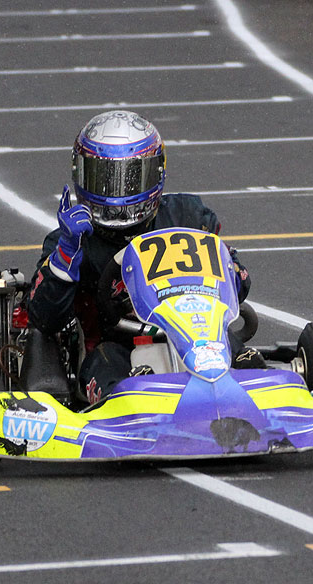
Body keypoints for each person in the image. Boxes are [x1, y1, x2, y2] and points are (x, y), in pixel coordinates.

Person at [24, 111, 253, 404]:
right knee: (109, 367)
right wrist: (67, 256)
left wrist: (229, 271)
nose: (116, 194)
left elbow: (240, 284)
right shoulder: (73, 240)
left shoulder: (186, 216)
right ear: (81, 174)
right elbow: (43, 319)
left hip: (202, 341)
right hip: (115, 347)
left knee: (245, 359)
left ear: (155, 172)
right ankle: (134, 403)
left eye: (129, 179)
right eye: (104, 179)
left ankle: (257, 389)